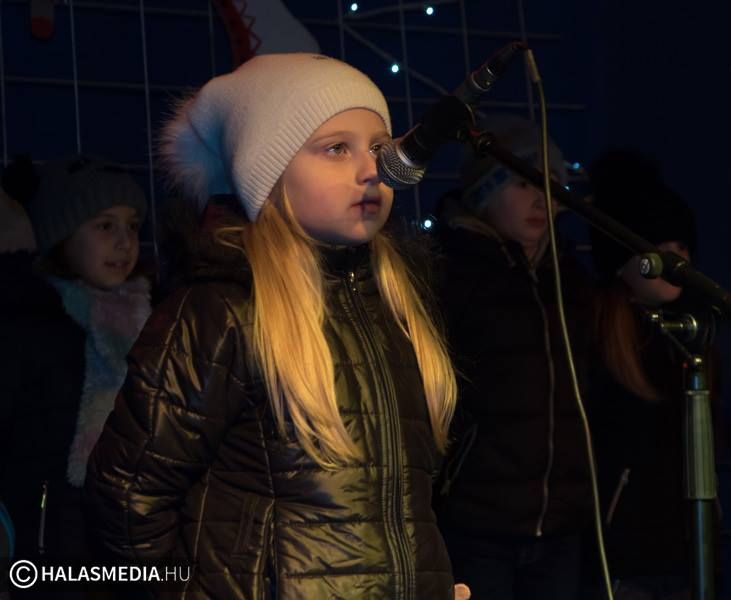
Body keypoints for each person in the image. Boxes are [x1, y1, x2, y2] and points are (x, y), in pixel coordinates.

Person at [85, 52, 466, 599]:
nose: (372, 170)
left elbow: (402, 504)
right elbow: (127, 498)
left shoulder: (396, 305)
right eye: (336, 149)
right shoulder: (222, 311)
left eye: (379, 148)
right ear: (268, 171)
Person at [433, 113, 595, 600]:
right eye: (523, 183)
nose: (541, 198)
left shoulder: (569, 279)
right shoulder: (452, 273)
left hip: (562, 522)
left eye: (551, 184)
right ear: (486, 190)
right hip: (479, 522)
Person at [0, 155, 151, 562]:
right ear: (63, 236)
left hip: (126, 538)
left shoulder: (151, 319)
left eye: (132, 226)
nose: (125, 242)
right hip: (45, 540)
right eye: (105, 226)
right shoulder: (30, 322)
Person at [582, 150, 717, 600]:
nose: (677, 260)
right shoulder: (597, 338)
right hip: (625, 556)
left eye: (683, 248)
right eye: (662, 249)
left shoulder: (695, 336)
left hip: (686, 553)